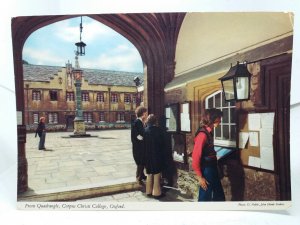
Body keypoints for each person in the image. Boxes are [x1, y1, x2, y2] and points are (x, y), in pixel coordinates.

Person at [192, 108, 225, 201]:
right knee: (205, 198)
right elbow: (195, 157)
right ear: (212, 119)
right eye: (219, 118)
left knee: (219, 196)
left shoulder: (209, 132)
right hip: (207, 170)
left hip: (212, 167)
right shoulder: (202, 135)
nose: (220, 120)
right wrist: (200, 177)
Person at [144, 114, 165, 198]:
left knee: (149, 174)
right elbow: (162, 144)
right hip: (156, 155)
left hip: (147, 156)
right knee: (156, 175)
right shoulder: (158, 130)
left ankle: (148, 192)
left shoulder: (144, 130)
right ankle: (156, 193)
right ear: (155, 121)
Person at [131, 106, 148, 183]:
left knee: (142, 161)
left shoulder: (140, 122)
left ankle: (142, 175)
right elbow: (137, 135)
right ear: (142, 114)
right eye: (145, 113)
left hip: (140, 146)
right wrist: (145, 139)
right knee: (140, 162)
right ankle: (138, 178)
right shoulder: (137, 122)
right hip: (138, 147)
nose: (146, 115)